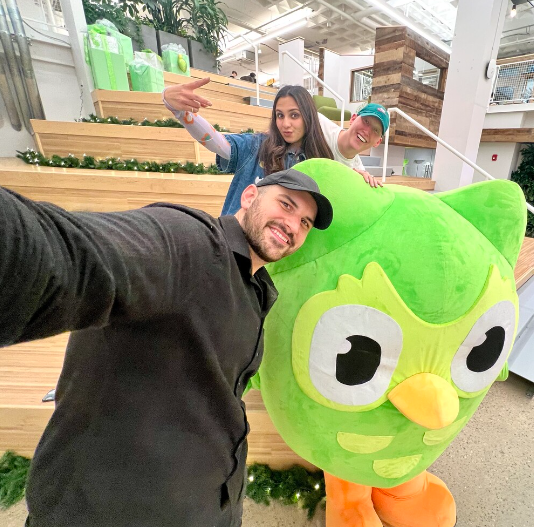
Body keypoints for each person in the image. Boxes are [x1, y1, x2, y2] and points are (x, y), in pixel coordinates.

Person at [0, 168, 333, 527]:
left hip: (205, 507)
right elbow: (68, 254)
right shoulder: (190, 240)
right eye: (286, 204)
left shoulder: (257, 290)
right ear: (249, 195)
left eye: (305, 223)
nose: (293, 225)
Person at [164, 81, 337, 215]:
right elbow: (217, 142)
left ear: (308, 117)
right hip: (236, 244)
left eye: (294, 115)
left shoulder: (322, 163)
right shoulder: (257, 146)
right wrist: (180, 112)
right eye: (279, 115)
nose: (285, 123)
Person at [316, 103, 390, 182]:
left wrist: (358, 184)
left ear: (377, 142)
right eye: (366, 121)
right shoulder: (317, 124)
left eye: (375, 130)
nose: (367, 132)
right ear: (353, 119)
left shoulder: (358, 173)